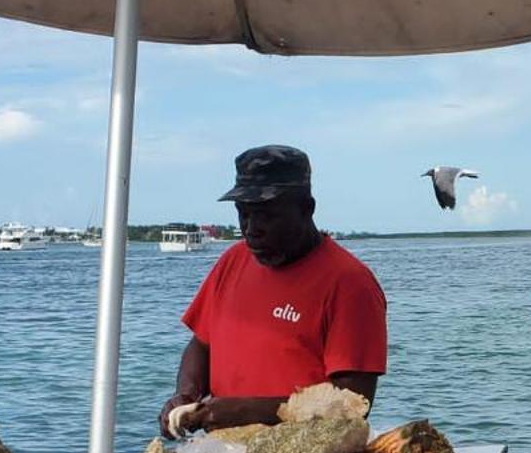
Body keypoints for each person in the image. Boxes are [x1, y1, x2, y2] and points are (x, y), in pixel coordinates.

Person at [160, 145, 387, 436]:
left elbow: (354, 403)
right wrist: (186, 396)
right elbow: (201, 345)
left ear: (307, 208)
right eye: (243, 214)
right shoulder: (232, 260)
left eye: (267, 216)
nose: (252, 228)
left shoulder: (350, 284)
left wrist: (246, 413)